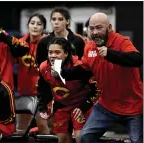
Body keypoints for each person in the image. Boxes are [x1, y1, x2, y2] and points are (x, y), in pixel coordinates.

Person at [60, 12, 143, 143]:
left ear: (109, 28)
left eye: (99, 28)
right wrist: (62, 72)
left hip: (133, 106)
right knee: (85, 138)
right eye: (91, 28)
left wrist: (110, 54)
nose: (95, 32)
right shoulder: (90, 46)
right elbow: (84, 70)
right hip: (107, 106)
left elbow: (137, 59)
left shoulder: (121, 41)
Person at [0, 13, 50, 135]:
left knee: (43, 127)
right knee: (20, 130)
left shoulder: (47, 44)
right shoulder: (20, 43)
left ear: (43, 28)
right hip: (24, 93)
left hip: (42, 94)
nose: (35, 26)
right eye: (32, 23)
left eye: (39, 24)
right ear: (27, 25)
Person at [38, 37, 96, 143]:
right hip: (62, 106)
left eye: (57, 52)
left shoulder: (79, 67)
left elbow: (95, 89)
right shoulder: (43, 67)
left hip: (80, 106)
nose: (53, 56)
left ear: (66, 54)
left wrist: (84, 106)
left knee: (81, 138)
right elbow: (43, 87)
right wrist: (43, 106)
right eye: (50, 52)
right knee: (63, 139)